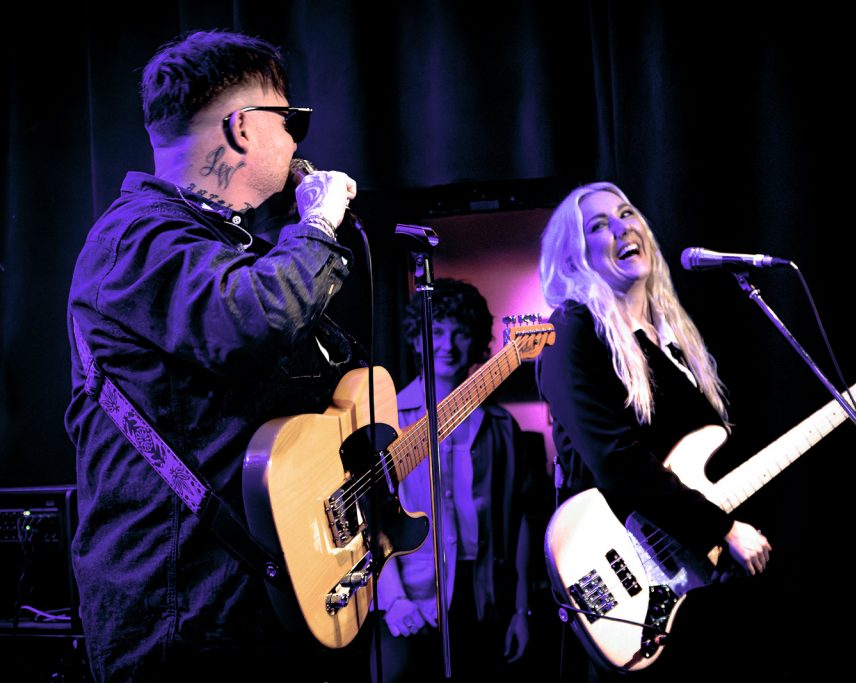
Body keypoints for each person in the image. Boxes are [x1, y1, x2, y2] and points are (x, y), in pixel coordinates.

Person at [65, 30, 361, 682]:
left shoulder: (210, 245)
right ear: (243, 127)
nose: (296, 142)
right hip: (180, 616)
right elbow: (255, 319)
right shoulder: (137, 239)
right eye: (290, 120)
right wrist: (317, 226)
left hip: (235, 603)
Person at [537, 182, 772, 679]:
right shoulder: (573, 332)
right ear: (575, 257)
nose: (622, 228)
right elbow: (616, 460)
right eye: (599, 226)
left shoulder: (670, 336)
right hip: (617, 573)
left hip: (687, 573)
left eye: (626, 214)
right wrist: (722, 527)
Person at [372, 278, 531, 682]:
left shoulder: (501, 426)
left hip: (484, 598)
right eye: (437, 331)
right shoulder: (388, 421)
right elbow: (369, 520)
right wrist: (394, 599)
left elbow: (519, 520)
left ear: (476, 342)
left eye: (460, 333)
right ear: (417, 338)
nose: (447, 344)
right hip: (411, 599)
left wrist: (520, 610)